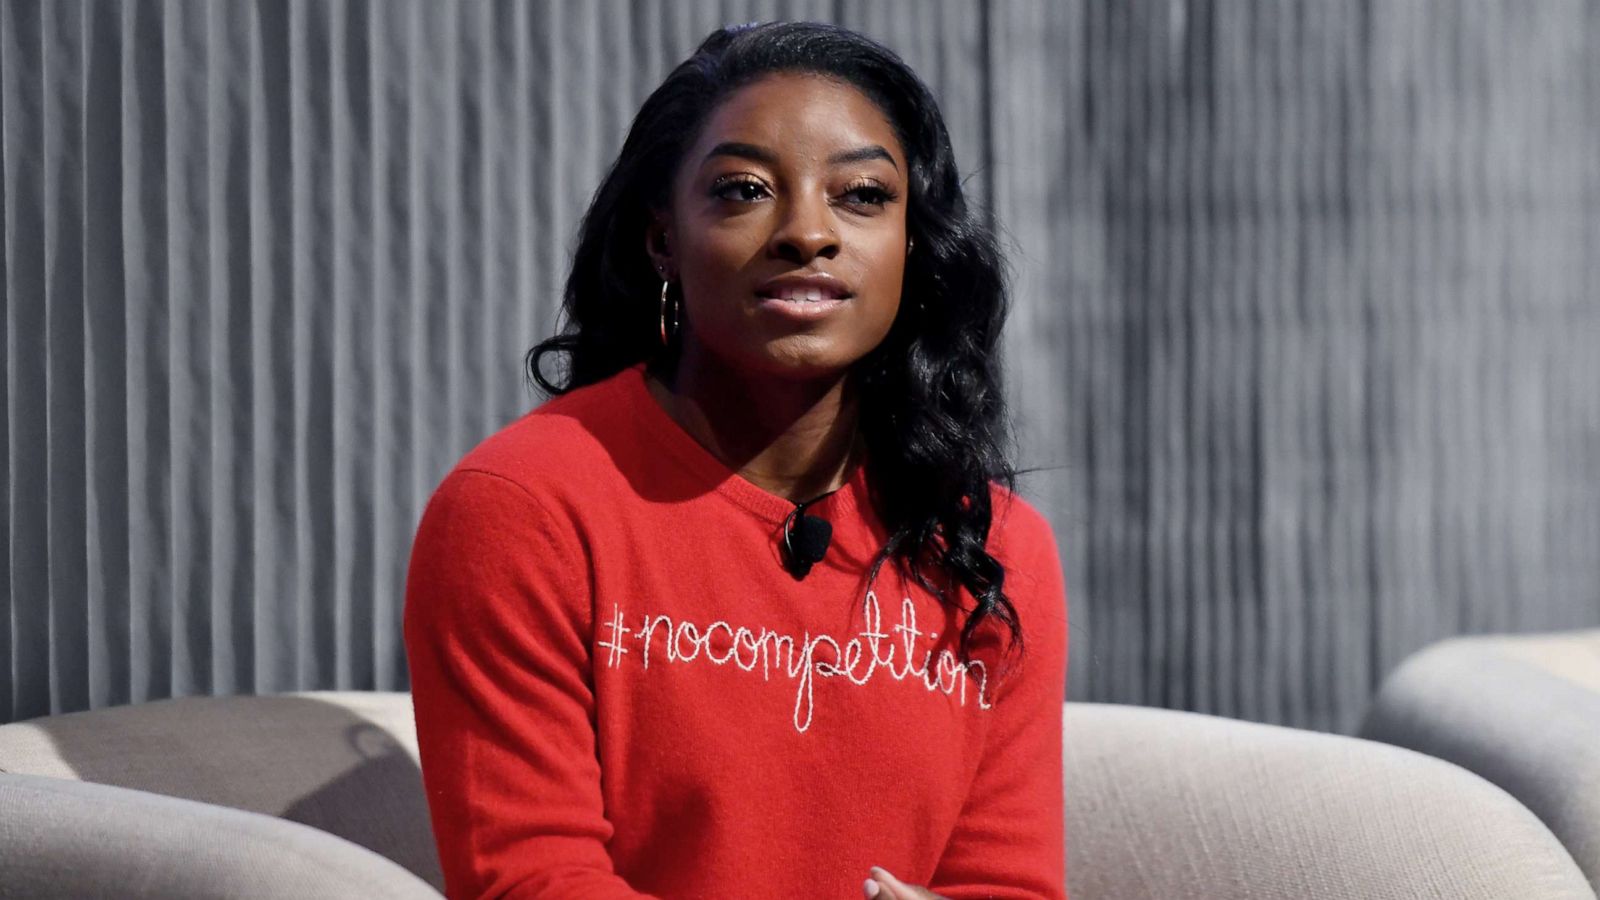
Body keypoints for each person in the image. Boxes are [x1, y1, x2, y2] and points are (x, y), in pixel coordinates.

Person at [403, 20, 1069, 900]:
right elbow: (533, 882)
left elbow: (1004, 886)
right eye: (745, 189)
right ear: (662, 239)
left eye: (862, 195)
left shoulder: (996, 548)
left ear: (914, 244)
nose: (807, 233)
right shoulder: (524, 510)